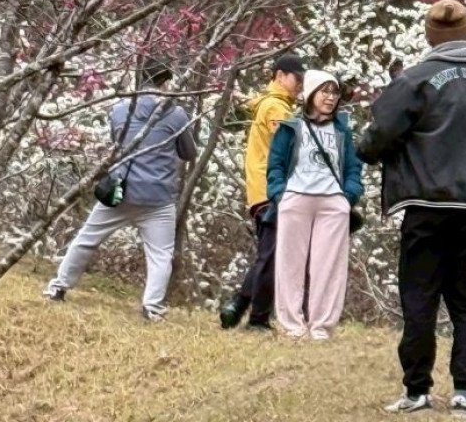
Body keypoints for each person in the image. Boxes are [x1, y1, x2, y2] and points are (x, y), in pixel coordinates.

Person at [357, 0, 466, 417]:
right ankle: (464, 390)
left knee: (419, 297)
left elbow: (379, 134)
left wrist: (367, 150)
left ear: (430, 36)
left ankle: (417, 389)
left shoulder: (417, 80)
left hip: (428, 204)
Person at [45, 58, 197, 321]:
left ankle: (59, 286)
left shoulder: (119, 110)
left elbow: (118, 142)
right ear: (165, 81)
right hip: (157, 198)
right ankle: (152, 307)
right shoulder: (176, 114)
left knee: (87, 238)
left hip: (120, 192)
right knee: (160, 255)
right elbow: (189, 153)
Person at [265, 69, 363, 340]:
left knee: (328, 267)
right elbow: (275, 166)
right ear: (310, 94)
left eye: (334, 93)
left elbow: (354, 167)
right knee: (290, 265)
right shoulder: (291, 127)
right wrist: (280, 196)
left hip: (333, 203)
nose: (331, 98)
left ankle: (321, 327)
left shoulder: (342, 130)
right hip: (295, 199)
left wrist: (349, 196)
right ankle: (293, 325)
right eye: (325, 91)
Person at [219, 51, 305, 331]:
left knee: (271, 253)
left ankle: (242, 306)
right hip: (272, 190)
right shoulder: (276, 108)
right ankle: (253, 315)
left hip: (262, 190)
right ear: (280, 76)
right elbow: (290, 150)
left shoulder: (270, 105)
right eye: (297, 78)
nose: (300, 85)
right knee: (273, 255)